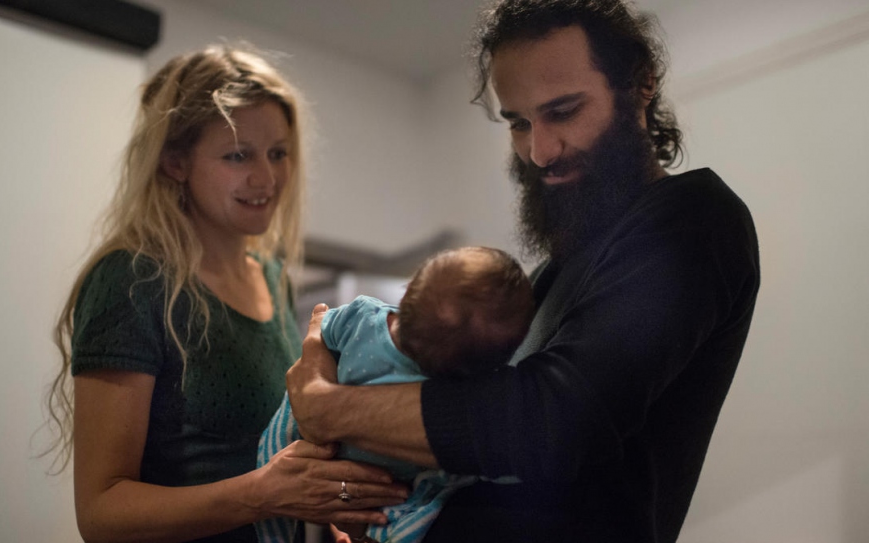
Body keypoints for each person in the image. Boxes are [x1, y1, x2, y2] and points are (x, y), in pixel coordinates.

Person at [285, 1, 761, 542]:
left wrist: (328, 406)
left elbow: (553, 420)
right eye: (518, 123)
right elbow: (470, 446)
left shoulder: (695, 219)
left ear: (640, 82)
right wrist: (358, 501)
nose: (539, 151)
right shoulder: (549, 279)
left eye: (563, 112)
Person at [42, 44, 407, 543]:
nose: (268, 178)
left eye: (278, 153)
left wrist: (330, 517)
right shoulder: (132, 279)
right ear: (175, 162)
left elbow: (275, 453)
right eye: (238, 155)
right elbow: (102, 513)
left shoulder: (271, 275)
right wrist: (264, 495)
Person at [256, 246, 535, 543]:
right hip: (372, 482)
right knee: (426, 505)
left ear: (408, 291)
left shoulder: (363, 318)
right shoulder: (454, 389)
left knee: (277, 448)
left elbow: (320, 335)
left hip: (344, 472)